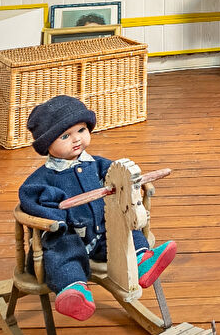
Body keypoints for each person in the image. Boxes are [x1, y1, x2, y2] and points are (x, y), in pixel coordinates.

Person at [16, 95, 177, 320]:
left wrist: (130, 182)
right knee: (62, 253)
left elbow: (119, 176)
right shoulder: (43, 179)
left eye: (81, 130)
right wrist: (55, 220)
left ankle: (143, 261)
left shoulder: (98, 165)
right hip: (70, 235)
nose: (76, 140)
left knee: (127, 232)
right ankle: (74, 291)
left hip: (103, 232)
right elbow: (30, 199)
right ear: (47, 144)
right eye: (65, 136)